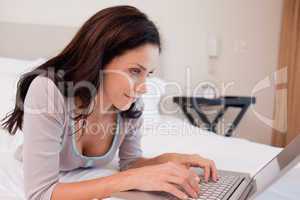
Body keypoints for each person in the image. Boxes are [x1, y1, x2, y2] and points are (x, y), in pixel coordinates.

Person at [1, 5, 218, 200]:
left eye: (148, 74)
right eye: (134, 71)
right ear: (100, 59)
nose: (143, 88)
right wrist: (132, 178)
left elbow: (130, 163)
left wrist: (170, 160)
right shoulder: (49, 91)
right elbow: (41, 193)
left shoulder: (132, 104)